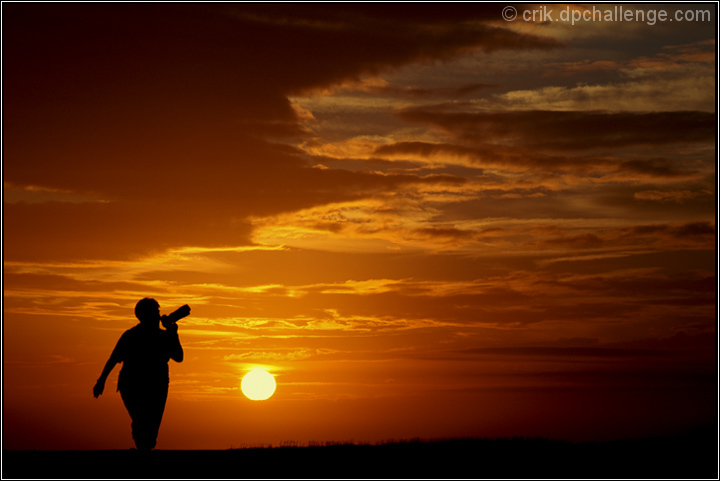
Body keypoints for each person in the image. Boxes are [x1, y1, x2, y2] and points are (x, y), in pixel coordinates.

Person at [93, 298, 188, 451]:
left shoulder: (164, 336)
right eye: (154, 312)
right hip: (131, 384)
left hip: (158, 385)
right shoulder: (131, 335)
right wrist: (101, 381)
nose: (158, 315)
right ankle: (142, 448)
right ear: (144, 315)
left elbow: (179, 357)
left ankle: (142, 448)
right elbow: (114, 358)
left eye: (158, 311)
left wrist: (173, 333)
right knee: (142, 420)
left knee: (151, 427)